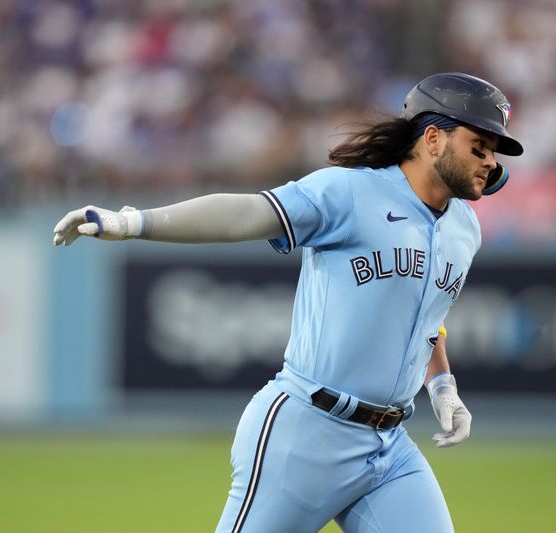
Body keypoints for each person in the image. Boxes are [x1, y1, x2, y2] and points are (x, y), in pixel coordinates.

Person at [53, 72, 524, 533]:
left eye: (494, 151)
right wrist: (134, 222)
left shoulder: (466, 228)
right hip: (306, 434)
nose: (489, 161)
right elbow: (246, 213)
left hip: (389, 446)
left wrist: (443, 386)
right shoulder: (350, 191)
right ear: (433, 139)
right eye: (478, 145)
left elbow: (425, 319)